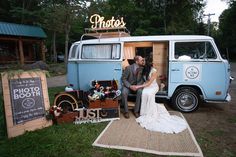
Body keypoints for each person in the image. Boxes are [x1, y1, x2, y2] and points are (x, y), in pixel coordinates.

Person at [134, 59, 187, 133]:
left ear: (147, 63)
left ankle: (151, 112)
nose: (142, 62)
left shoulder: (154, 71)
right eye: (142, 61)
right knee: (144, 93)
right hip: (146, 86)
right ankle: (144, 112)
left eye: (143, 61)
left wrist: (138, 87)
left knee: (149, 94)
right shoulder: (144, 69)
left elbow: (149, 83)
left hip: (153, 87)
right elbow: (144, 80)